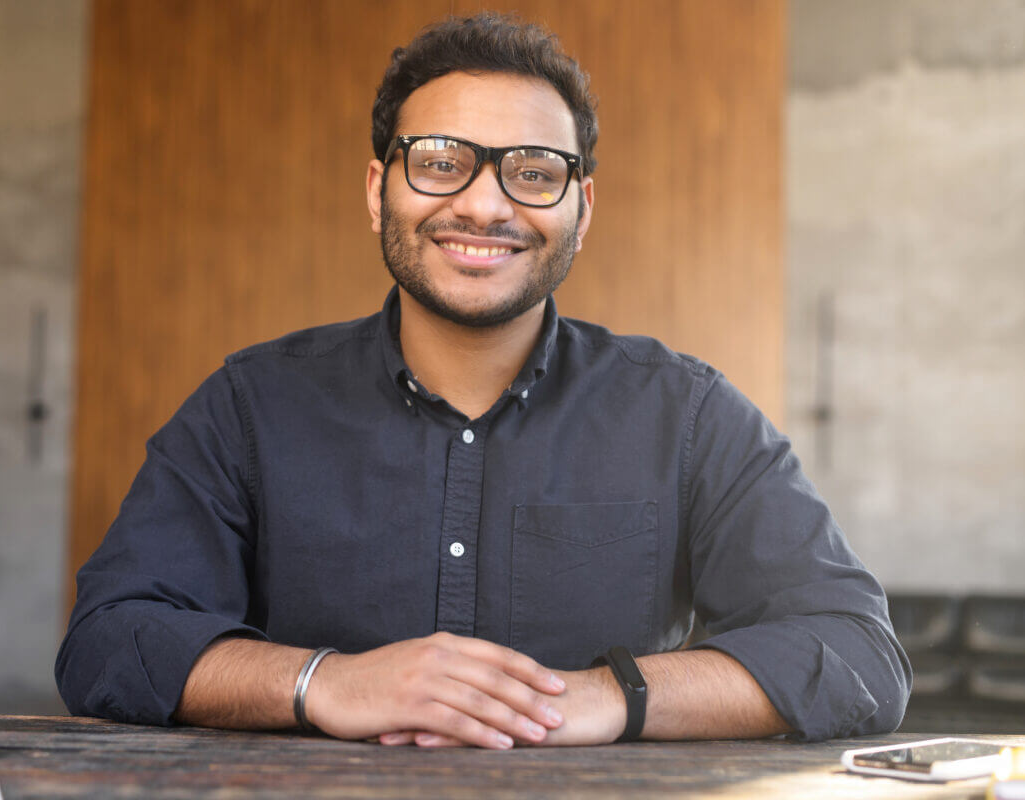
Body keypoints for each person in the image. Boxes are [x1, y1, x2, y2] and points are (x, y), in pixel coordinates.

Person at [56, 12, 910, 749]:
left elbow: (856, 654)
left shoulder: (688, 414)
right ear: (377, 187)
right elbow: (111, 641)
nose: (486, 205)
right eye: (438, 160)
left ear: (582, 210)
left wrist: (608, 697)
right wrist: (327, 683)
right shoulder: (249, 407)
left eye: (533, 171)